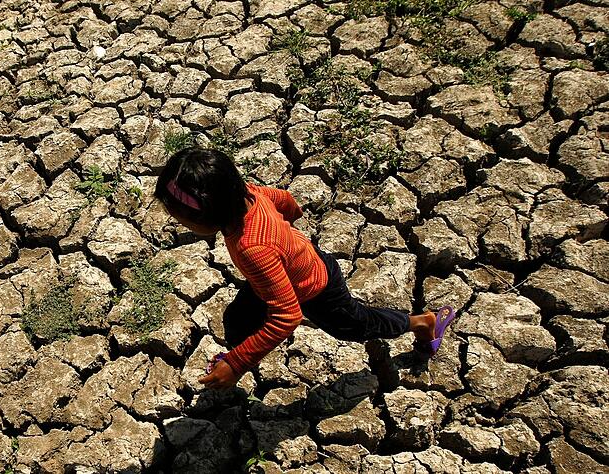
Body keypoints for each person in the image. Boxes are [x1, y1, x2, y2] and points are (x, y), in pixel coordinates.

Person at [154, 146, 456, 390]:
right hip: (284, 272)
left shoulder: (252, 249)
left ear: (210, 217)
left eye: (183, 220)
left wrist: (237, 364)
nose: (180, 224)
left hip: (317, 288)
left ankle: (421, 322)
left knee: (357, 325)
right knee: (237, 319)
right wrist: (287, 236)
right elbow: (285, 200)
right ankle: (236, 359)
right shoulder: (247, 194)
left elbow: (287, 316)